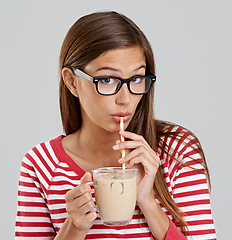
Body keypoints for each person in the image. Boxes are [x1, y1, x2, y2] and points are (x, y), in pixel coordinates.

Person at [15, 11, 216, 239]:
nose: (125, 99)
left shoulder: (177, 151)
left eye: (136, 79)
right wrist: (75, 227)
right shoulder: (41, 165)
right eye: (107, 80)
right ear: (72, 82)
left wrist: (148, 203)